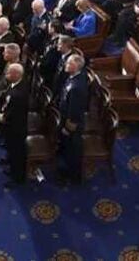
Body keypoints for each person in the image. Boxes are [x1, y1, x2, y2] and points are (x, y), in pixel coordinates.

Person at [57, 53, 89, 184]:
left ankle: (73, 177)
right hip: (66, 117)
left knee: (73, 151)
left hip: (73, 125)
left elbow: (74, 113)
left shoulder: (76, 87)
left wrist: (67, 128)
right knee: (67, 148)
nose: (66, 65)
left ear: (76, 67)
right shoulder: (74, 76)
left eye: (69, 63)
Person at [0, 62, 29, 186]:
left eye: (9, 72)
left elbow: (12, 112)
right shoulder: (16, 84)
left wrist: (3, 117)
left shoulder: (18, 94)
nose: (6, 74)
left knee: (17, 153)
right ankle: (11, 167)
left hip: (16, 128)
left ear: (16, 74)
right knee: (12, 150)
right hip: (13, 125)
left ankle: (17, 178)